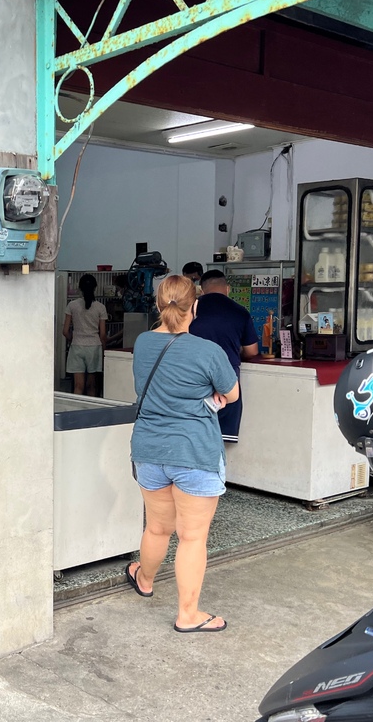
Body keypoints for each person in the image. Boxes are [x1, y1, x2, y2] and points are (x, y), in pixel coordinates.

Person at [126, 274, 239, 633]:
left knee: (157, 528)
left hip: (149, 449)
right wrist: (212, 397)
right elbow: (231, 394)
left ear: (159, 305)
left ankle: (144, 579)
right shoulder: (208, 351)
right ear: (196, 307)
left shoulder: (142, 343)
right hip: (194, 452)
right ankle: (188, 615)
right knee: (192, 537)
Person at [188, 270, 259, 444]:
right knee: (220, 437)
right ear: (227, 288)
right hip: (227, 380)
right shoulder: (239, 312)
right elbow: (252, 351)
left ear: (201, 290)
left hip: (192, 376)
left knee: (192, 434)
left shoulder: (189, 310)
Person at [62, 273, 107, 396]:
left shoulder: (72, 305)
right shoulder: (100, 307)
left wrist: (74, 339)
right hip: (94, 347)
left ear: (79, 288)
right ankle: (91, 413)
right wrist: (103, 350)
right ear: (95, 287)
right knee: (91, 386)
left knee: (78, 386)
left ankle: (76, 413)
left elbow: (65, 331)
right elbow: (102, 334)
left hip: (77, 346)